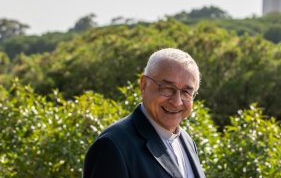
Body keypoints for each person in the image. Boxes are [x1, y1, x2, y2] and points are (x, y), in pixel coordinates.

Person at [83, 48, 206, 178]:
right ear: (144, 85)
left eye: (186, 92)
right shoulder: (112, 146)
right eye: (167, 88)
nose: (176, 102)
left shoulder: (187, 141)